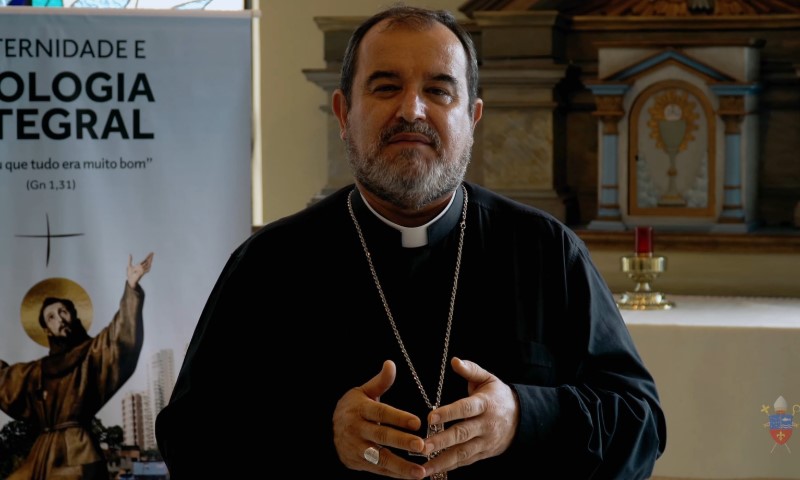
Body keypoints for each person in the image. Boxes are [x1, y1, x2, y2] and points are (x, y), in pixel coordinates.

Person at [155, 5, 666, 479]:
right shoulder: (270, 263)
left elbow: (642, 427)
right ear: (343, 114)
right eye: (384, 86)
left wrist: (523, 417)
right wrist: (320, 434)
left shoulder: (546, 252)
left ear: (473, 120)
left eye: (440, 90)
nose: (412, 110)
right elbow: (189, 441)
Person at [0, 252, 154, 480]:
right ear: (46, 329)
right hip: (41, 454)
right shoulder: (37, 371)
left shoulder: (91, 355)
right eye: (51, 317)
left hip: (78, 451)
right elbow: (7, 382)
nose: (59, 319)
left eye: (63, 311)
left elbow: (120, 340)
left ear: (73, 315)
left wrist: (131, 287)